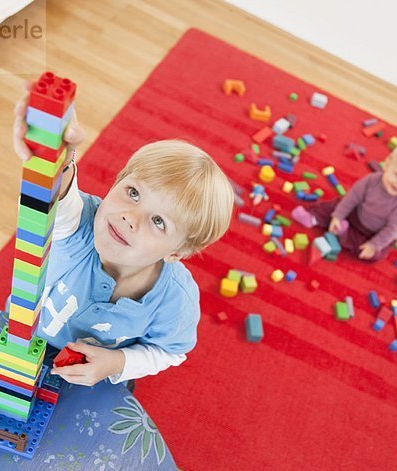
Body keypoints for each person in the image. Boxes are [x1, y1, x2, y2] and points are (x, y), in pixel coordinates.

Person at [12, 83, 234, 389]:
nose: (131, 217)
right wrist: (54, 140)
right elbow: (56, 193)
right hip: (25, 341)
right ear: (118, 181)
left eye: (158, 221)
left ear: (176, 253)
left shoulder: (175, 300)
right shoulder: (80, 225)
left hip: (99, 371)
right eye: (133, 193)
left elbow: (170, 351)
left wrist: (117, 363)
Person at [294, 140, 397, 262]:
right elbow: (352, 197)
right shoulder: (371, 180)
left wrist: (374, 245)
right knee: (336, 204)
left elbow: (393, 230)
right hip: (356, 214)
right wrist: (338, 215)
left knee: (376, 253)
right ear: (387, 164)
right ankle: (314, 218)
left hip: (372, 233)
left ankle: (344, 233)